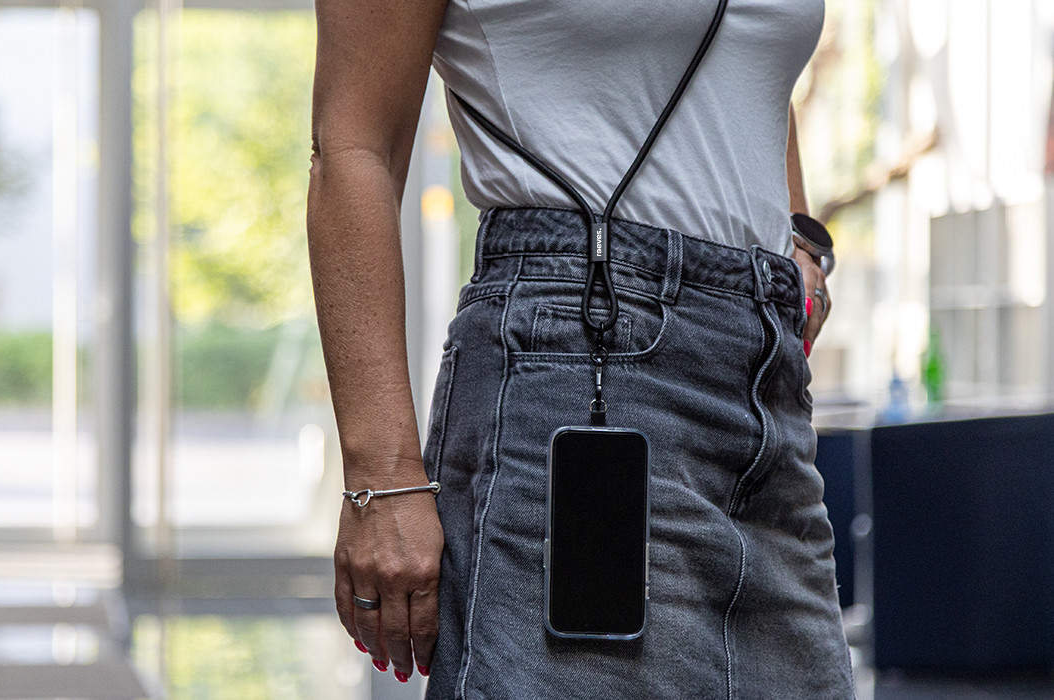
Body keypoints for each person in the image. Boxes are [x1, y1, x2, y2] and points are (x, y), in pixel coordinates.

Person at [306, 0, 854, 696]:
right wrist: (380, 480)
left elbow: (744, 69)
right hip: (579, 353)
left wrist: (796, 241)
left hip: (764, 385)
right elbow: (354, 147)